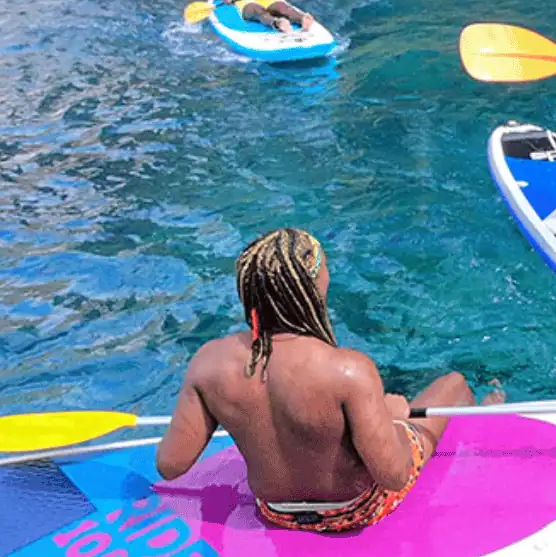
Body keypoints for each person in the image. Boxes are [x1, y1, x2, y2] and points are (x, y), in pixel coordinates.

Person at [154, 228, 502, 533]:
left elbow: (171, 466)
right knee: (453, 385)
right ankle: (494, 409)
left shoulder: (208, 364)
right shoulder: (348, 370)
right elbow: (393, 475)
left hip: (276, 512)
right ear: (317, 285)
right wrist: (392, 418)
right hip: (356, 509)